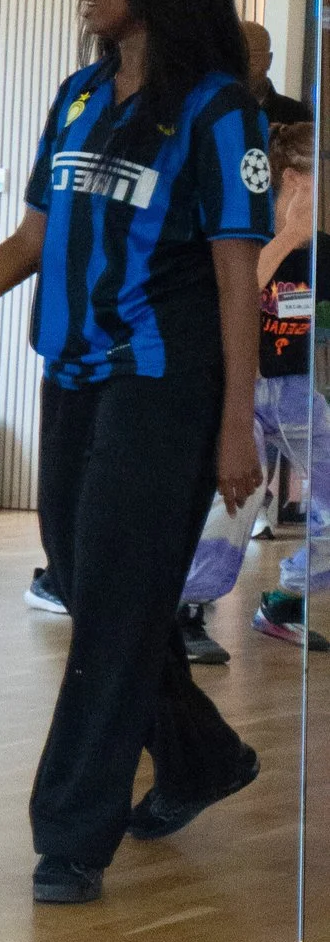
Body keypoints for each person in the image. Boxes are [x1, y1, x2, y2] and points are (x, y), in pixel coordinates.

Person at [0, 0, 268, 906]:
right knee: (100, 595)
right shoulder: (80, 94)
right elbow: (28, 244)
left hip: (164, 385)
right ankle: (201, 757)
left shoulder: (222, 112)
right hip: (75, 376)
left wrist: (235, 420)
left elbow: (234, 279)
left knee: (111, 617)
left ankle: (70, 836)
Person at [172, 120, 328, 664]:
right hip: (238, 389)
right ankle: (186, 610)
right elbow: (233, 300)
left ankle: (284, 601)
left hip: (296, 392)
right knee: (237, 499)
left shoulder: (322, 250)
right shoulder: (246, 232)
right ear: (292, 178)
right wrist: (288, 236)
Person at [243, 19, 308, 127]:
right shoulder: (216, 111)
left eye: (255, 58)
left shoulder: (296, 116)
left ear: (269, 60)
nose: (247, 66)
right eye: (240, 58)